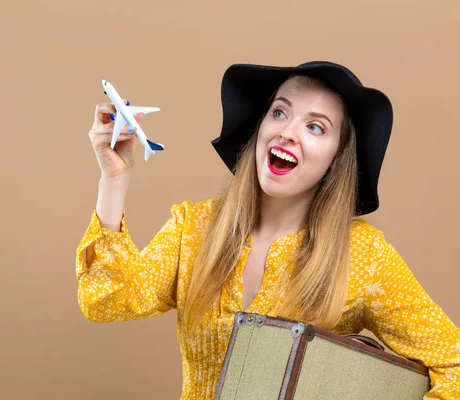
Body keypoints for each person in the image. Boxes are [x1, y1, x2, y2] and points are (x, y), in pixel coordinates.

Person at [75, 61, 460, 399]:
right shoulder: (193, 227)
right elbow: (106, 300)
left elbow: (454, 366)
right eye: (280, 112)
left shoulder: (361, 255)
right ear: (259, 128)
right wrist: (114, 179)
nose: (288, 132)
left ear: (335, 159)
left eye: (315, 127)